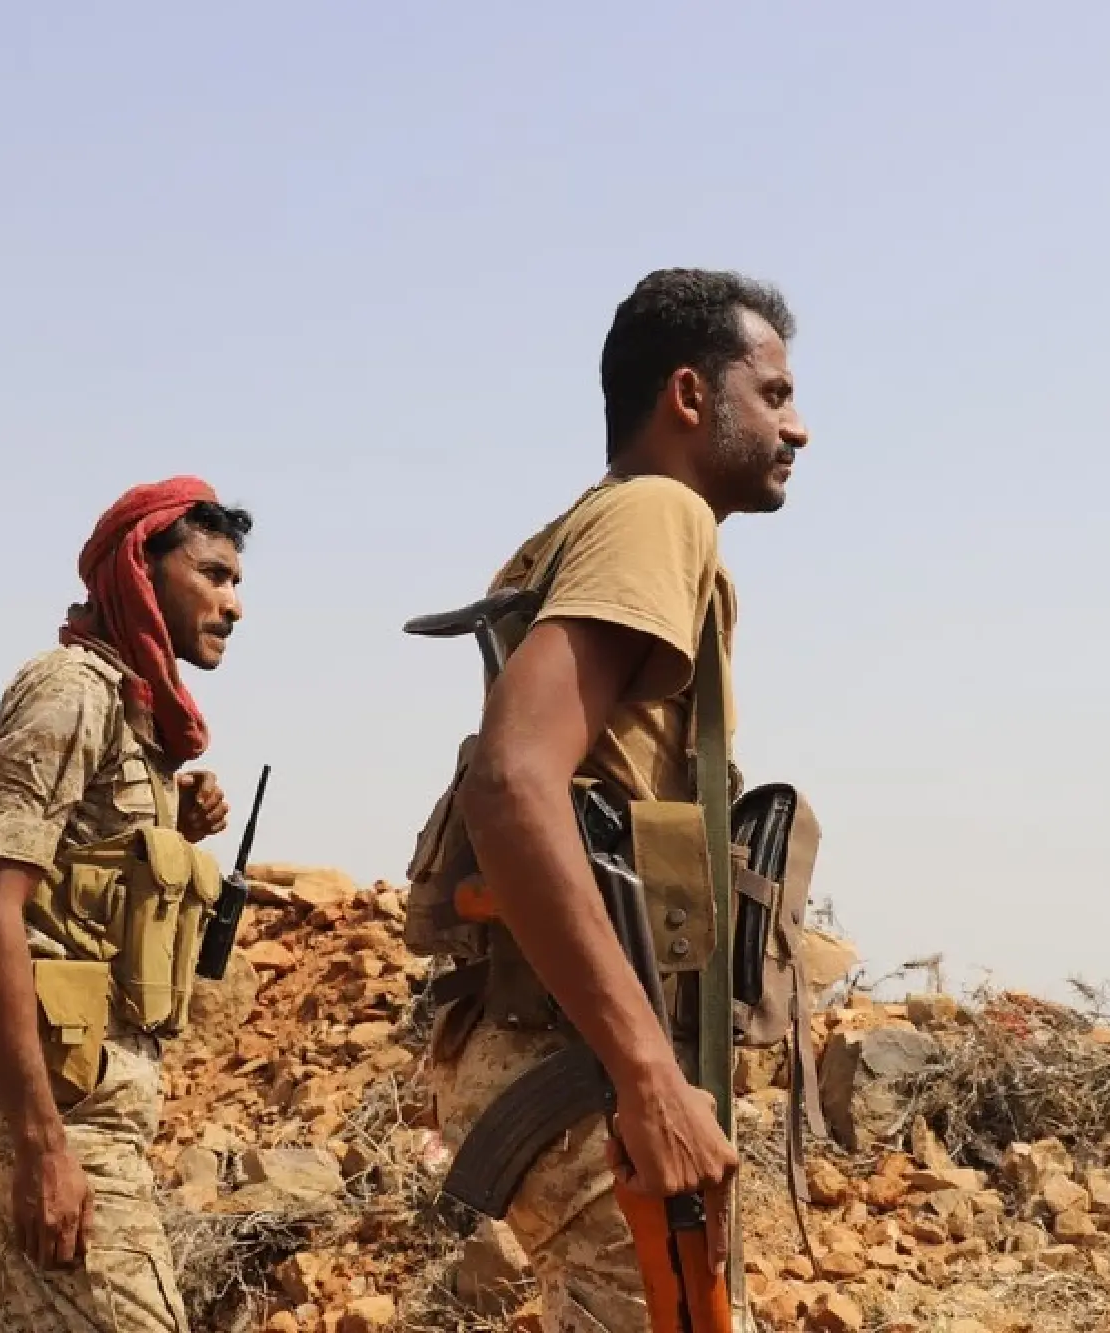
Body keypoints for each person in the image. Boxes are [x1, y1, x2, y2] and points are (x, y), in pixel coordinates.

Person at [410, 268, 811, 1332]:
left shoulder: (593, 524)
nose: (797, 426)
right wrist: (647, 1078)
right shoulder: (655, 514)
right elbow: (511, 780)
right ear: (689, 395)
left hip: (563, 1040)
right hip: (581, 1058)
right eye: (772, 394)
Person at [0, 477, 251, 1333]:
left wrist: (173, 827)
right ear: (140, 571)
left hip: (92, 1099)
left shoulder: (133, 712)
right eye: (213, 575)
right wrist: (43, 1143)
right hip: (61, 1105)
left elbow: (87, 891)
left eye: (237, 582)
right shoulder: (70, 689)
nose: (233, 605)